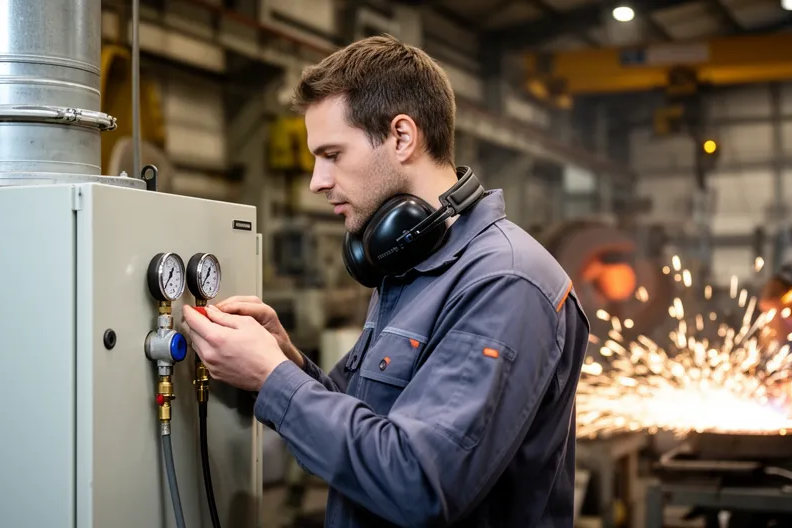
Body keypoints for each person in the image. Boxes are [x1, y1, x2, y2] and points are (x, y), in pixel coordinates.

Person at [182, 35, 590, 527]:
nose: (317, 180)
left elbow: (420, 483)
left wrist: (274, 380)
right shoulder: (408, 264)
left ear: (402, 137)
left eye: (332, 154)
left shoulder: (505, 283)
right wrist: (287, 362)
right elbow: (367, 422)